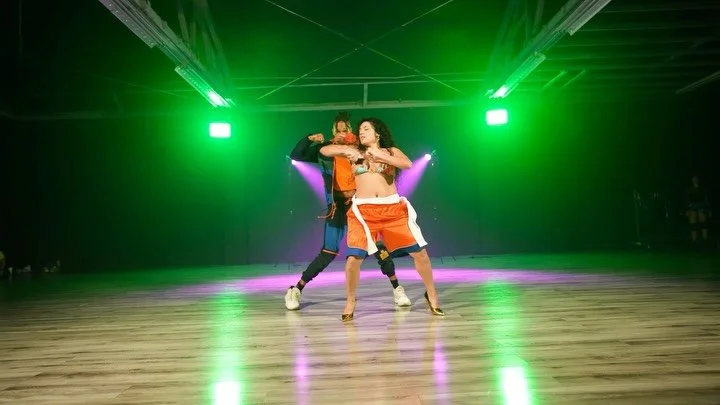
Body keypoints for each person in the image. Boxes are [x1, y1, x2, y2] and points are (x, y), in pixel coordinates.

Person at [320, 117, 444, 321]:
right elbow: (324, 151)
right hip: (363, 212)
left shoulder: (390, 151)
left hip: (392, 210)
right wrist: (347, 150)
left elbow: (407, 164)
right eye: (360, 130)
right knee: (353, 260)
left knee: (420, 254)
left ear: (377, 133)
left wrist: (380, 155)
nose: (361, 132)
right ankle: (350, 301)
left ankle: (432, 295)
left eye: (366, 129)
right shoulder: (355, 152)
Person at [285, 112, 412, 310]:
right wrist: (310, 138)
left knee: (379, 247)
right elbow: (296, 155)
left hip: (360, 205)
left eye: (346, 130)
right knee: (328, 252)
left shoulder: (361, 149)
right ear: (333, 132)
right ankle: (296, 289)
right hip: (338, 206)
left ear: (351, 131)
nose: (343, 134)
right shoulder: (327, 151)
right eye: (339, 130)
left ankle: (397, 289)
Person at [684, 174, 711, 245]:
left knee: (703, 224)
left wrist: (709, 210)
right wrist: (687, 210)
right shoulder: (689, 189)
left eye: (696, 178)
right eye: (693, 178)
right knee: (693, 225)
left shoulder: (703, 189)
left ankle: (705, 241)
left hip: (702, 207)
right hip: (692, 207)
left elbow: (706, 200)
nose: (695, 180)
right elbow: (686, 200)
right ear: (691, 180)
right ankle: (694, 241)